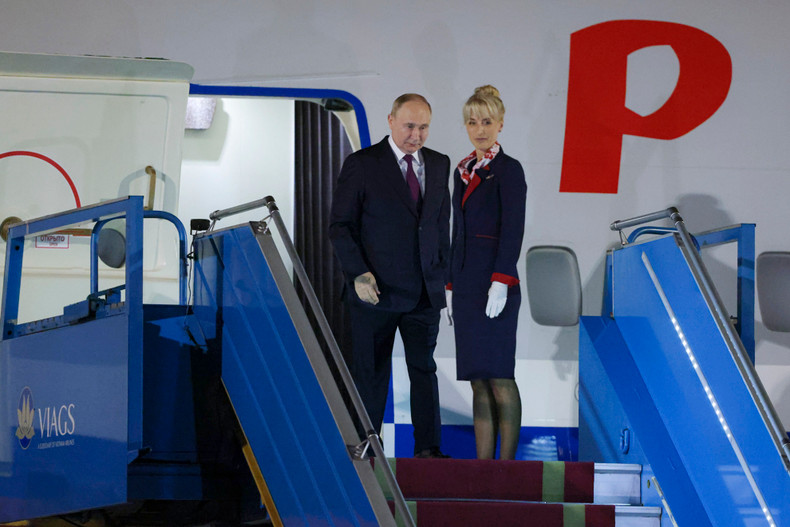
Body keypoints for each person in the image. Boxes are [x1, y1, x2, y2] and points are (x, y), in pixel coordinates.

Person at [329, 93, 451, 459]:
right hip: (375, 293)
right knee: (370, 374)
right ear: (391, 121)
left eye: (424, 127)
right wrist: (359, 274)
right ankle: (367, 446)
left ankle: (428, 450)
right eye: (410, 126)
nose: (416, 135)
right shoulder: (362, 164)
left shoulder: (440, 164)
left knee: (424, 371)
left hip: (424, 294)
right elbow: (340, 226)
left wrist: (443, 279)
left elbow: (439, 227)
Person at [446, 85, 527, 460]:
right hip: (465, 285)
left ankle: (506, 471)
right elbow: (457, 232)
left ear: (500, 124)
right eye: (473, 122)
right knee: (477, 379)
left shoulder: (509, 170)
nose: (480, 129)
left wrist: (501, 279)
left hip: (496, 285)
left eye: (487, 122)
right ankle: (483, 470)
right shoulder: (462, 170)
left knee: (499, 377)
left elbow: (513, 229)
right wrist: (451, 283)